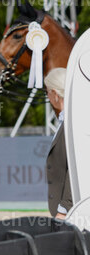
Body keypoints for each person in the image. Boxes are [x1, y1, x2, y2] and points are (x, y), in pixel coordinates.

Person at [45, 68, 72, 219]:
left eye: (47, 92)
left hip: (70, 211)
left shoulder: (72, 122)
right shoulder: (63, 121)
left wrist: (64, 208)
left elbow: (75, 167)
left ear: (55, 94)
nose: (47, 96)